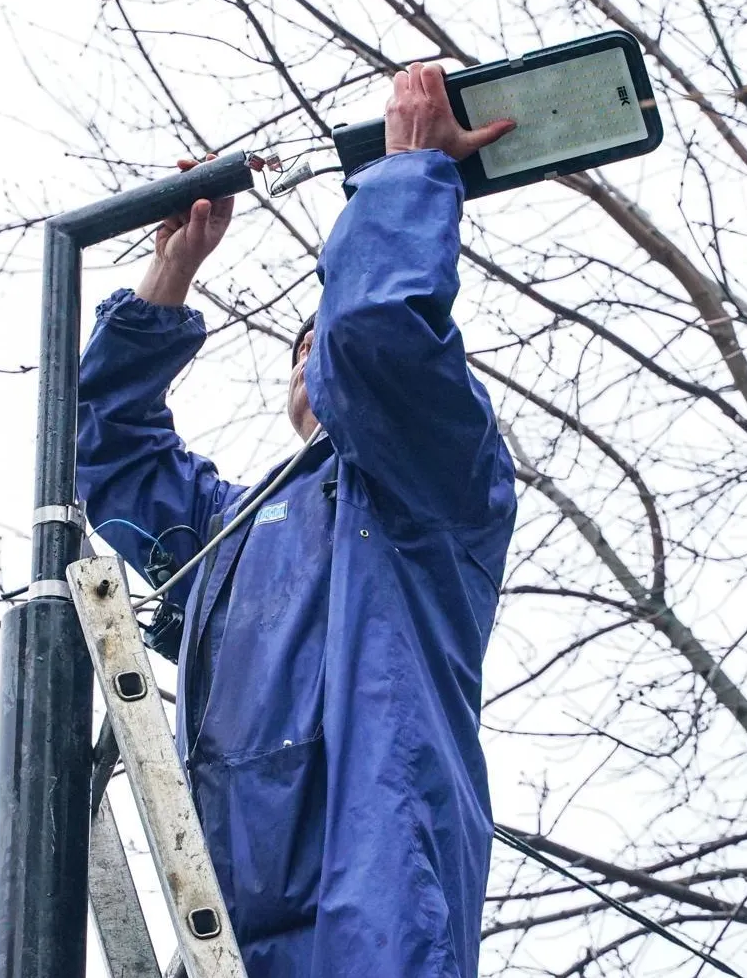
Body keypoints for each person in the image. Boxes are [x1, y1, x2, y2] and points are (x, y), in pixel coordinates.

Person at [75, 62, 518, 977]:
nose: (314, 352)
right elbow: (111, 453)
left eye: (328, 336)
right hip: (231, 921)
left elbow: (380, 334)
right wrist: (171, 270)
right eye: (296, 350)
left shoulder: (429, 484)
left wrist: (409, 172)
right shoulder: (232, 537)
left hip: (377, 902)